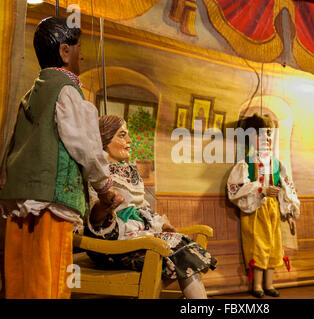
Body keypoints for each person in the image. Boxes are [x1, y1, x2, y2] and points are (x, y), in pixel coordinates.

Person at [0, 17, 123, 299]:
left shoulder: (31, 95)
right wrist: (105, 189)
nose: (83, 54)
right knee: (51, 277)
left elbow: (13, 147)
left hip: (20, 201)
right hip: (52, 204)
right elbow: (87, 147)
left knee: (20, 277)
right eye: (80, 47)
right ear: (65, 52)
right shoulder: (67, 91)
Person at [84, 115, 217, 299]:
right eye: (122, 135)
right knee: (176, 247)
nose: (129, 141)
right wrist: (105, 205)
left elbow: (142, 207)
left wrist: (161, 224)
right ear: (104, 140)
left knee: (181, 244)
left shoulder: (129, 170)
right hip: (111, 243)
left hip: (137, 236)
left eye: (127, 135)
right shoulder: (97, 172)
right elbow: (93, 218)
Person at [227, 113, 300, 298]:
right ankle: (257, 285)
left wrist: (289, 212)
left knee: (275, 244)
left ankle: (269, 283)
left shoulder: (277, 164)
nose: (266, 138)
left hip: (273, 209)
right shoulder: (245, 164)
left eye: (268, 134)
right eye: (260, 134)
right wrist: (261, 190)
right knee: (258, 245)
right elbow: (236, 188)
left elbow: (287, 188)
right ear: (249, 138)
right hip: (255, 210)